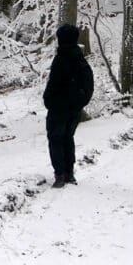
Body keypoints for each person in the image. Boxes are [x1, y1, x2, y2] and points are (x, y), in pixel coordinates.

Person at [43, 24, 94, 188]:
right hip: (74, 109)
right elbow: (88, 83)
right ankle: (69, 173)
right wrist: (80, 103)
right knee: (67, 138)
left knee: (56, 139)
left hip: (58, 108)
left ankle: (60, 174)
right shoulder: (80, 59)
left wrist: (48, 100)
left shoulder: (61, 59)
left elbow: (53, 84)